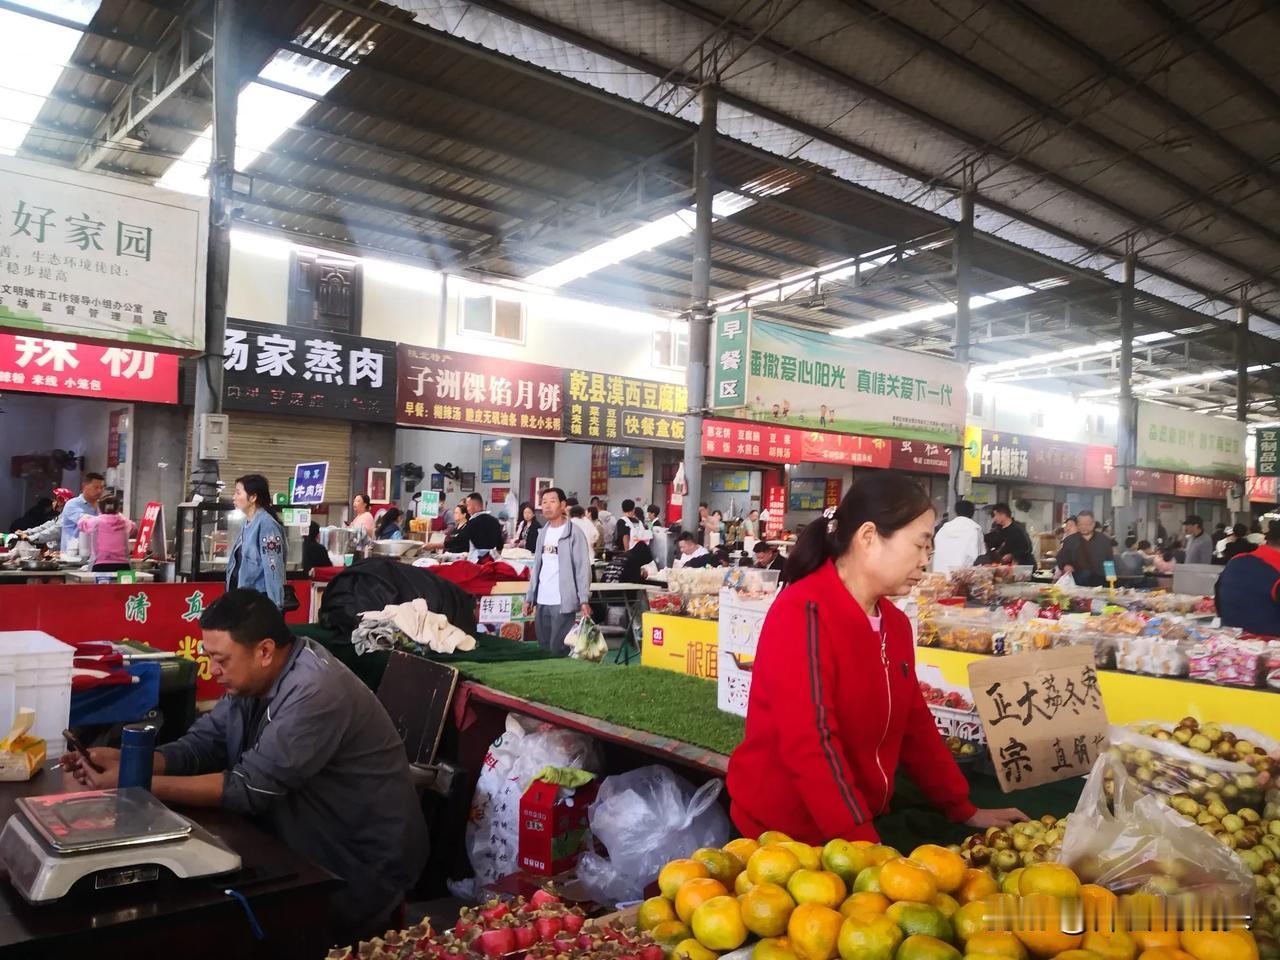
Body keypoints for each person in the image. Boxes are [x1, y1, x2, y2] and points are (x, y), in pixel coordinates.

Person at [61, 589, 428, 942]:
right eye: (210, 657)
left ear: (264, 651)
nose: (213, 670)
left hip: (353, 863)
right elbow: (203, 744)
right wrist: (133, 760)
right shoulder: (253, 680)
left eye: (221, 660)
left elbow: (249, 789)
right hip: (296, 835)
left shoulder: (315, 691)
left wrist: (134, 781)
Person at [726, 472, 1025, 844]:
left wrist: (961, 807)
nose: (925, 561)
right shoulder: (803, 613)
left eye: (928, 549)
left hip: (856, 824)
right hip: (785, 837)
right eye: (919, 546)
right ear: (868, 537)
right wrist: (863, 844)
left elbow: (914, 722)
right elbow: (810, 742)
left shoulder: (895, 624)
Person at [524, 488, 592, 657]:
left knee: (558, 648)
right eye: (544, 502)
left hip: (563, 602)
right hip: (542, 601)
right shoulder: (543, 533)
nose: (547, 506)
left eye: (552, 501)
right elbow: (537, 567)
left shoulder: (573, 533)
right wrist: (530, 597)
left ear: (563, 505)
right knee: (544, 647)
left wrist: (584, 599)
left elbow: (582, 568)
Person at [227, 474, 287, 608]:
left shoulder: (266, 525)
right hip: (244, 598)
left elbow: (273, 567)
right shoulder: (247, 523)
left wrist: (275, 605)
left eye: (238, 493)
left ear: (253, 497)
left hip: (259, 602)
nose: (233, 497)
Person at [1216, 523, 1280, 635]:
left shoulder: (1235, 561)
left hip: (1229, 643)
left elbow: (1218, 601)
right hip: (1270, 646)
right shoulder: (1277, 570)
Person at [1056, 510, 1115, 587]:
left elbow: (1109, 561)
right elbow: (1060, 559)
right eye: (1081, 524)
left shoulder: (1104, 540)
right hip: (1076, 582)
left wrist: (1111, 582)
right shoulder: (1069, 540)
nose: (1083, 527)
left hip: (1100, 582)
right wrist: (1065, 566)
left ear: (1093, 524)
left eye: (1087, 524)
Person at [78, 495, 136, 571]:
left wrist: (85, 516)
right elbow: (133, 528)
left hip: (101, 564)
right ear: (118, 507)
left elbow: (81, 525)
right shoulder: (125, 522)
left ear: (100, 507)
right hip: (124, 565)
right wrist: (120, 516)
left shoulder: (96, 521)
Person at [932, 500, 985, 574]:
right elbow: (980, 555)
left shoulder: (944, 528)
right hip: (961, 578)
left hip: (940, 576)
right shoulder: (975, 528)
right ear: (972, 513)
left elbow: (935, 545)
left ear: (956, 512)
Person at [60, 472, 105, 554]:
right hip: (72, 555)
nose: (99, 491)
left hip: (96, 554)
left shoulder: (102, 506)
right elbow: (87, 521)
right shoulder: (73, 504)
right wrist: (111, 520)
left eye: (102, 488)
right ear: (84, 486)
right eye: (96, 487)